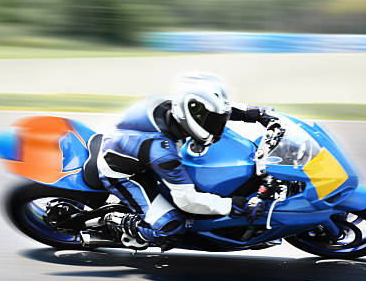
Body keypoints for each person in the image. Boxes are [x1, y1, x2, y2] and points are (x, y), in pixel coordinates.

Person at [97, 72, 276, 250]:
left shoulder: (176, 108)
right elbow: (187, 200)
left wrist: (255, 114)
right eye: (213, 123)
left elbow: (212, 110)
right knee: (171, 228)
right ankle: (119, 221)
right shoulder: (163, 154)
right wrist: (233, 205)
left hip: (137, 153)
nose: (217, 127)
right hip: (123, 175)